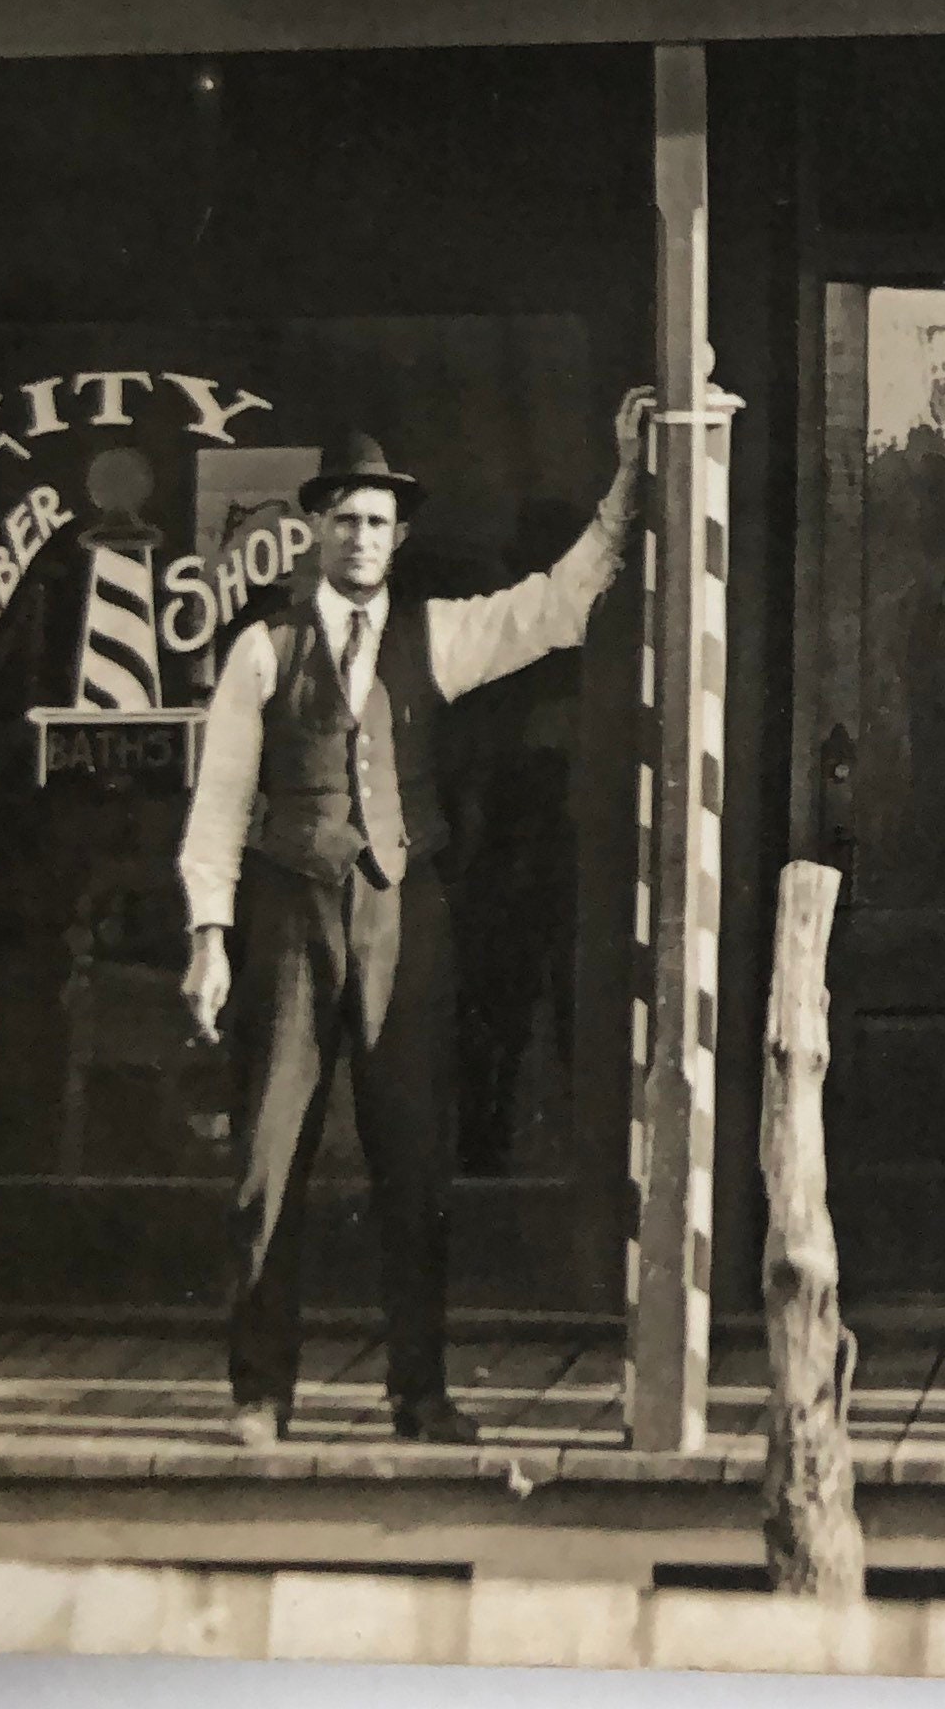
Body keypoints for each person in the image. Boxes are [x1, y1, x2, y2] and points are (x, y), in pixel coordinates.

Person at [179, 391, 653, 1446]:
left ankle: (419, 1393)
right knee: (267, 1161)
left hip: (404, 917)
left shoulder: (433, 638)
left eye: (380, 523)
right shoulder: (263, 651)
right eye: (345, 519)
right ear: (314, 529)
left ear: (402, 537)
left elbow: (556, 607)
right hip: (289, 919)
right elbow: (216, 808)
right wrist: (211, 937)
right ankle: (260, 1396)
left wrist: (625, 488)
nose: (362, 538)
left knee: (415, 1163)